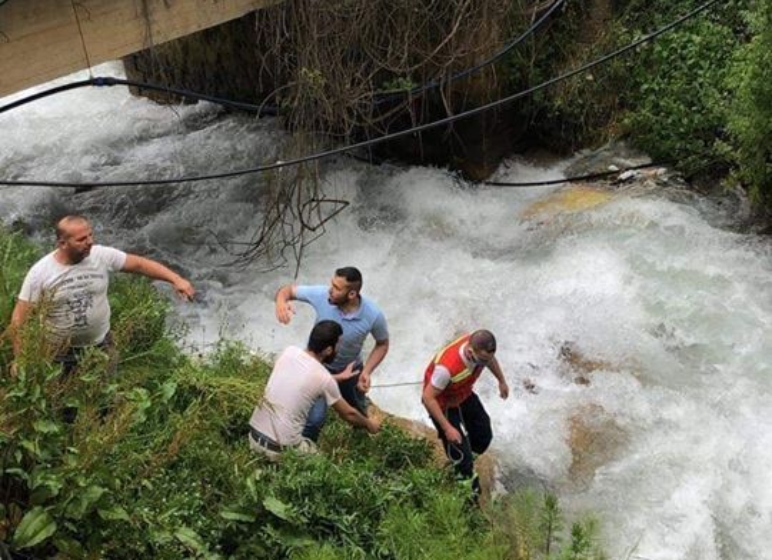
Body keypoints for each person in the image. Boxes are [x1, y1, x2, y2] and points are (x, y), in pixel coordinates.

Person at [10, 214, 195, 377]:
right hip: (59, 354)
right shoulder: (41, 273)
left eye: (90, 235)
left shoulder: (100, 255)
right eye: (81, 239)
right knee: (64, 409)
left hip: (101, 345)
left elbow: (139, 264)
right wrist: (21, 360)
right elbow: (19, 321)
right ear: (62, 243)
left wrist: (175, 279)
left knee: (104, 401)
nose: (89, 241)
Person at [274, 266, 388, 441]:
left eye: (337, 288)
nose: (330, 290)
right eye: (332, 284)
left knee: (356, 411)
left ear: (351, 294)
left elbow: (382, 344)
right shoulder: (322, 295)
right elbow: (287, 291)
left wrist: (366, 372)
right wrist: (281, 303)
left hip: (351, 371)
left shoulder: (373, 315)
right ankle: (303, 450)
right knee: (315, 419)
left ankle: (360, 444)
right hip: (318, 368)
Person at [248, 320, 381, 460]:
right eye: (338, 345)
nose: (339, 349)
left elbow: (301, 378)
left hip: (253, 437)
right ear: (328, 350)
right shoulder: (323, 378)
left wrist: (337, 378)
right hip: (281, 449)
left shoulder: (289, 351)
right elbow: (349, 414)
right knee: (322, 466)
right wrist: (369, 424)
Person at [421, 329, 509, 497]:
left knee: (483, 435)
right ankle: (466, 490)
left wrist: (501, 380)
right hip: (442, 403)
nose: (484, 364)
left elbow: (490, 360)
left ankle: (464, 460)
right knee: (462, 456)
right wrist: (447, 428)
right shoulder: (446, 368)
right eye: (481, 361)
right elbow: (428, 397)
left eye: (486, 360)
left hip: (462, 393)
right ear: (470, 352)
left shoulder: (480, 351)